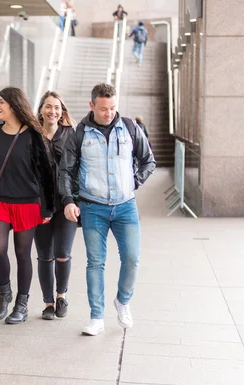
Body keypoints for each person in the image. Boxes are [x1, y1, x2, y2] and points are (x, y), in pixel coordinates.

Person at [59, 83, 155, 336]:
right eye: (103, 109)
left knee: (133, 259)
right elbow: (66, 170)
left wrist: (134, 181)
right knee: (95, 262)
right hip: (93, 207)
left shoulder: (130, 128)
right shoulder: (79, 133)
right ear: (92, 106)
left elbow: (148, 160)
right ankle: (96, 316)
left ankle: (122, 301)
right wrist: (68, 200)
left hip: (125, 207)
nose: (109, 113)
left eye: (113, 107)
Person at [0, 87, 54, 325]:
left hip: (27, 203)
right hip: (0, 201)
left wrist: (47, 208)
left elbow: (46, 174)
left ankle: (21, 304)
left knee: (23, 254)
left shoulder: (33, 135)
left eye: (1, 102)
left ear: (13, 105)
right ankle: (4, 292)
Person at [34, 91, 78, 320]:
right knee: (44, 256)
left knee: (62, 253)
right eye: (48, 106)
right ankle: (48, 303)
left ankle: (61, 296)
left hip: (65, 204)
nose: (52, 111)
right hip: (40, 206)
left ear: (62, 112)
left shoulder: (71, 135)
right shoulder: (31, 135)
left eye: (57, 107)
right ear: (41, 109)